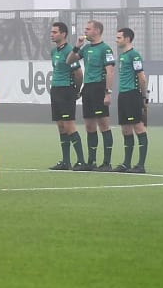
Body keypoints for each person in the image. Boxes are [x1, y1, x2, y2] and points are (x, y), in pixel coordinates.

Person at [67, 20, 116, 171]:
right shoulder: (86, 48)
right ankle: (91, 161)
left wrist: (108, 93)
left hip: (99, 88)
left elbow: (110, 72)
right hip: (87, 88)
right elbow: (69, 60)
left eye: (88, 29)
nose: (85, 31)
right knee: (89, 125)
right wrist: (77, 46)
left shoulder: (105, 49)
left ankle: (107, 163)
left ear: (97, 31)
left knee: (103, 124)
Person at [47, 22, 86, 170]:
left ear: (63, 34)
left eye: (55, 32)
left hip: (66, 90)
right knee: (61, 126)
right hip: (56, 89)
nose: (52, 34)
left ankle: (81, 160)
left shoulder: (70, 50)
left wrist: (75, 90)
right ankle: (66, 161)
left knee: (69, 125)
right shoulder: (53, 51)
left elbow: (78, 73)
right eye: (51, 32)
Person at [113, 28, 149, 173]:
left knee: (138, 127)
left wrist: (143, 96)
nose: (117, 40)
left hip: (132, 94)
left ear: (127, 39)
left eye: (119, 37)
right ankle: (126, 164)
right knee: (125, 129)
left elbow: (142, 77)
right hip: (122, 95)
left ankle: (140, 165)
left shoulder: (134, 55)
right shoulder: (122, 56)